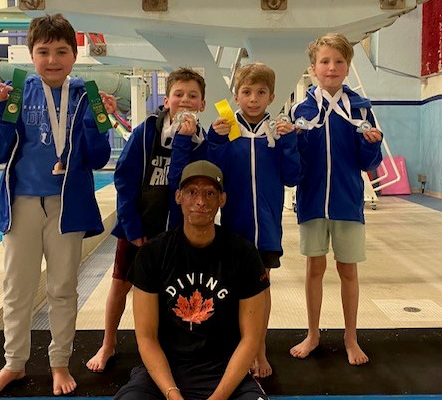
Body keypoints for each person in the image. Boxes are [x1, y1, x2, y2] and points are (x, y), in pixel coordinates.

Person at [99, 161, 292, 400]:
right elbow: (147, 338)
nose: (200, 201)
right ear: (178, 197)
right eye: (191, 192)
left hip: (223, 370)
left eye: (209, 193)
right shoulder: (154, 254)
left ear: (221, 200)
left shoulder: (243, 255)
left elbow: (251, 339)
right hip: (166, 370)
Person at [0, 13, 116, 397]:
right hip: (22, 203)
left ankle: (59, 362)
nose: (52, 60)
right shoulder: (19, 93)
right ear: (31, 55)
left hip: (66, 206)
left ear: (75, 55)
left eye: (61, 51)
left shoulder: (85, 95)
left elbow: (98, 157)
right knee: (17, 288)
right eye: (44, 52)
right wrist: (0, 116)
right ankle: (14, 363)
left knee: (63, 287)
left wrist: (96, 120)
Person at [87, 68, 207, 373]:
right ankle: (108, 342)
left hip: (176, 234)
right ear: (166, 100)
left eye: (192, 96)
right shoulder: (144, 133)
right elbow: (124, 179)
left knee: (174, 292)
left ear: (202, 104)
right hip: (138, 227)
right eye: (178, 94)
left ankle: (167, 346)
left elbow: (182, 186)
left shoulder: (200, 142)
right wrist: (131, 226)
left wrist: (183, 141)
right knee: (120, 285)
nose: (185, 100)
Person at [289, 33, 383, 366]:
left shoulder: (360, 108)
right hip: (313, 202)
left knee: (348, 270)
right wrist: (292, 142)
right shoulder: (301, 110)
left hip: (347, 202)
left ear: (348, 66)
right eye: (325, 62)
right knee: (314, 267)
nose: (332, 67)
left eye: (339, 61)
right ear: (313, 68)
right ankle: (313, 333)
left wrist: (372, 145)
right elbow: (295, 164)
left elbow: (368, 164)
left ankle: (350, 338)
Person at [208, 63, 302, 378]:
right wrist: (216, 141)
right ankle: (237, 348)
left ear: (271, 96)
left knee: (261, 290)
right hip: (235, 228)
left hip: (268, 229)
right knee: (233, 291)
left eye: (261, 92)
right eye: (247, 92)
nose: (253, 98)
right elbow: (215, 175)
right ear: (236, 95)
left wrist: (290, 144)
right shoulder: (227, 129)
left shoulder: (275, 133)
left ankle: (259, 348)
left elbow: (292, 178)